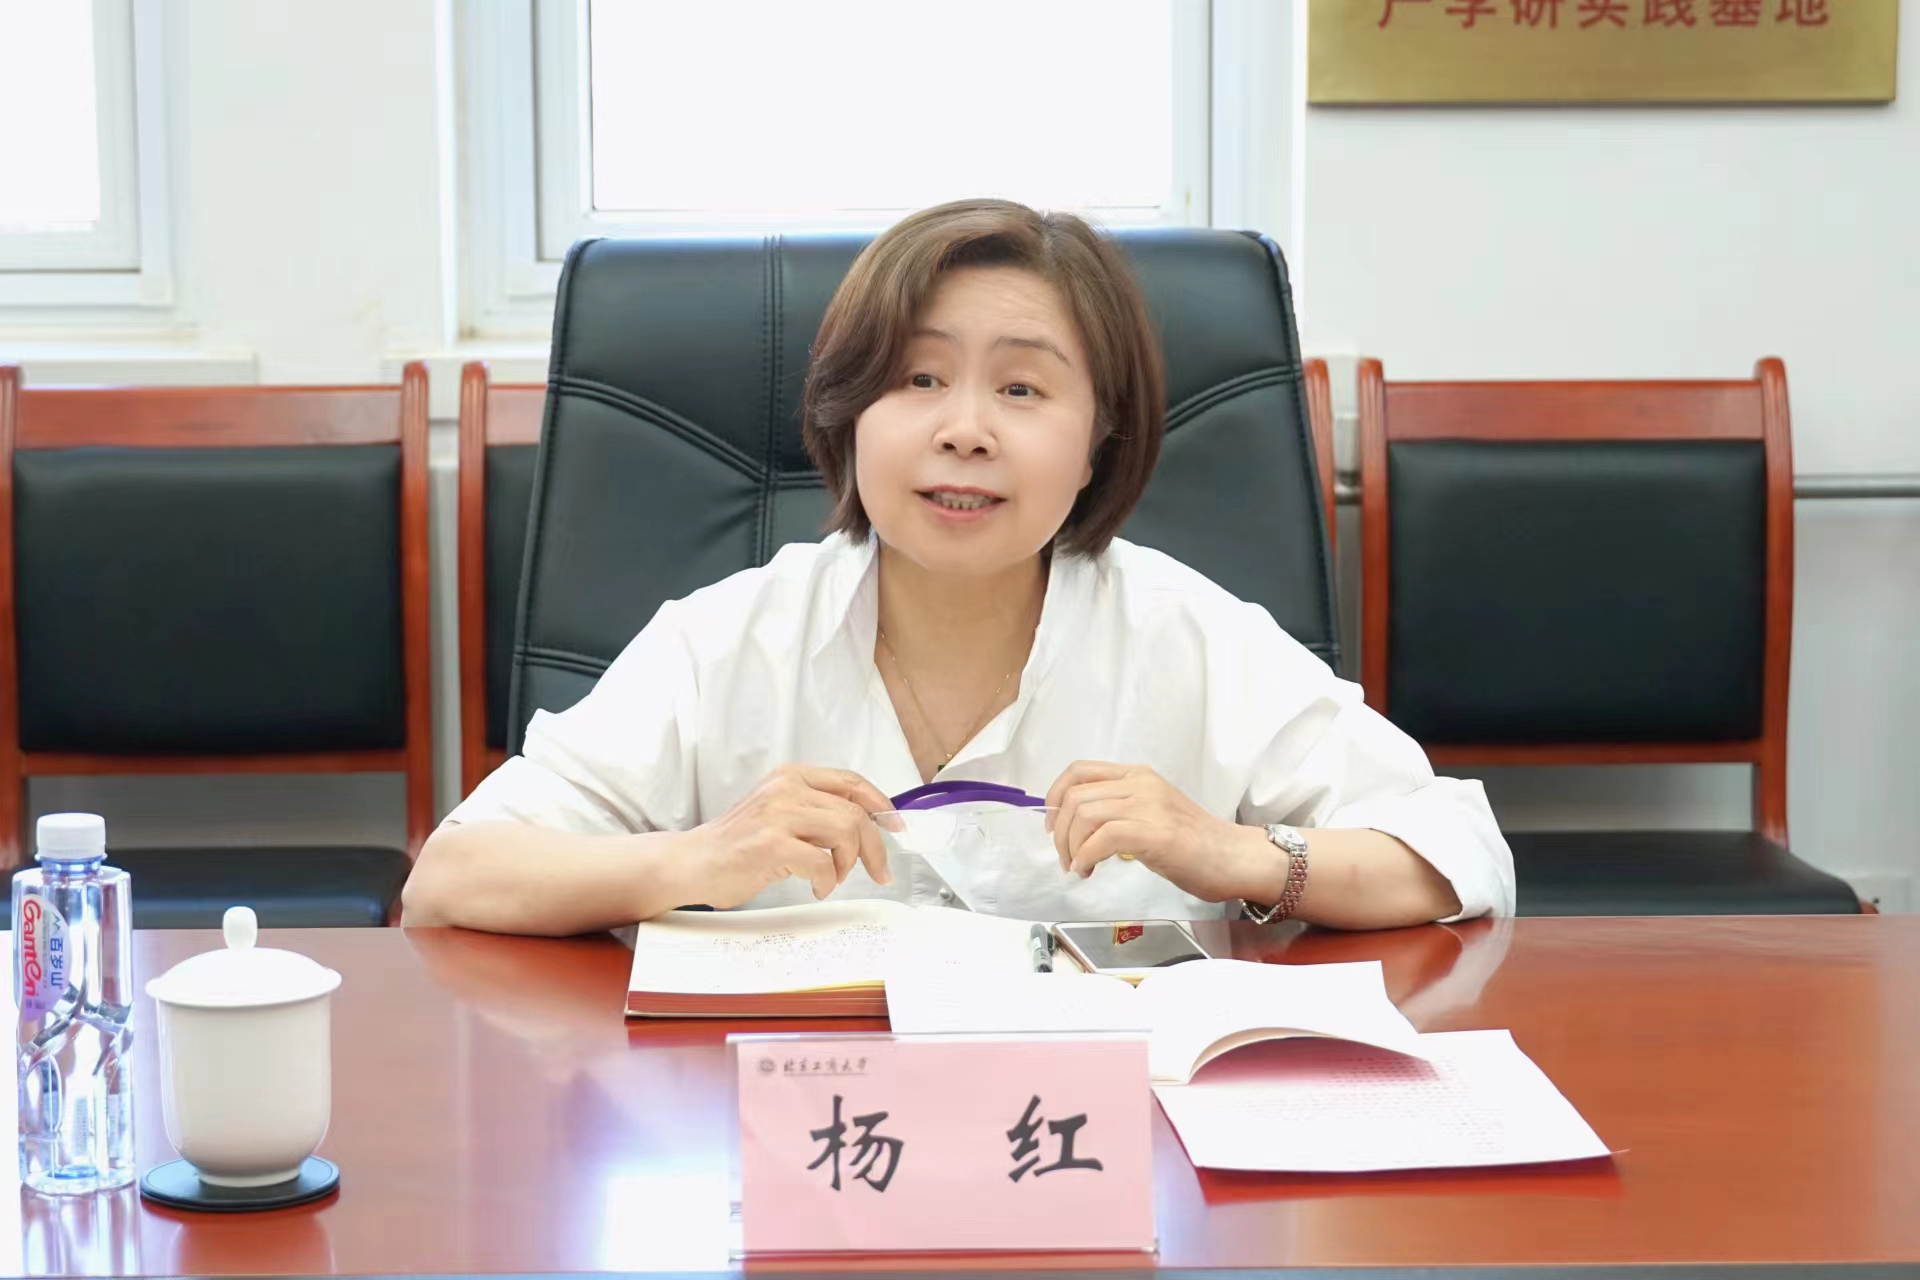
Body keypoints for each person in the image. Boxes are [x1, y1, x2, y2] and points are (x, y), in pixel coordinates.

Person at [402, 198, 1515, 937]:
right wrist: (695, 859)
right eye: (919, 380)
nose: (965, 431)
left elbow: (1457, 853)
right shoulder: (725, 638)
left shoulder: (1190, 634)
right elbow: (451, 880)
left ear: (1100, 442)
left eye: (1022, 389)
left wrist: (1234, 854)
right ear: (848, 415)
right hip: (803, 1142)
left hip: (1106, 1147)